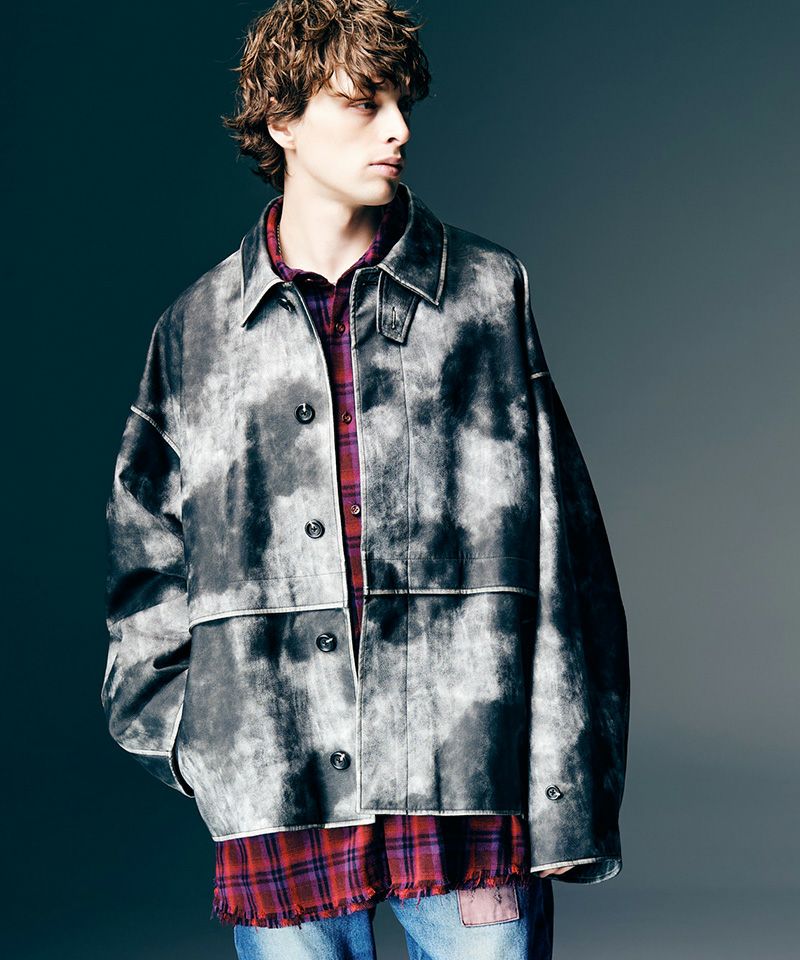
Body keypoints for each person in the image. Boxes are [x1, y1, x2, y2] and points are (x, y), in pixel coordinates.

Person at [101, 2, 630, 958]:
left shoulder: (485, 295)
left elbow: (569, 563)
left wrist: (564, 790)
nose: (398, 129)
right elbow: (145, 567)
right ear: (283, 120)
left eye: (401, 103)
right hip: (278, 791)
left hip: (467, 790)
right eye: (362, 102)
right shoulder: (196, 332)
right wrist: (195, 741)